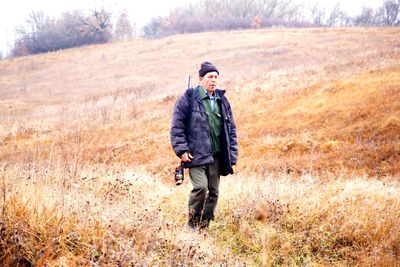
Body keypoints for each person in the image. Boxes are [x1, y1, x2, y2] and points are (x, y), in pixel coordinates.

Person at [170, 62, 238, 229]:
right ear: (201, 79)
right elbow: (177, 125)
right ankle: (192, 226)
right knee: (201, 188)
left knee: (213, 193)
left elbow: (231, 129)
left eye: (216, 77)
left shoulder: (222, 100)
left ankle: (203, 227)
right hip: (195, 154)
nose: (213, 80)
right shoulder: (189, 97)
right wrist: (182, 150)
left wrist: (232, 154)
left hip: (216, 155)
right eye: (210, 77)